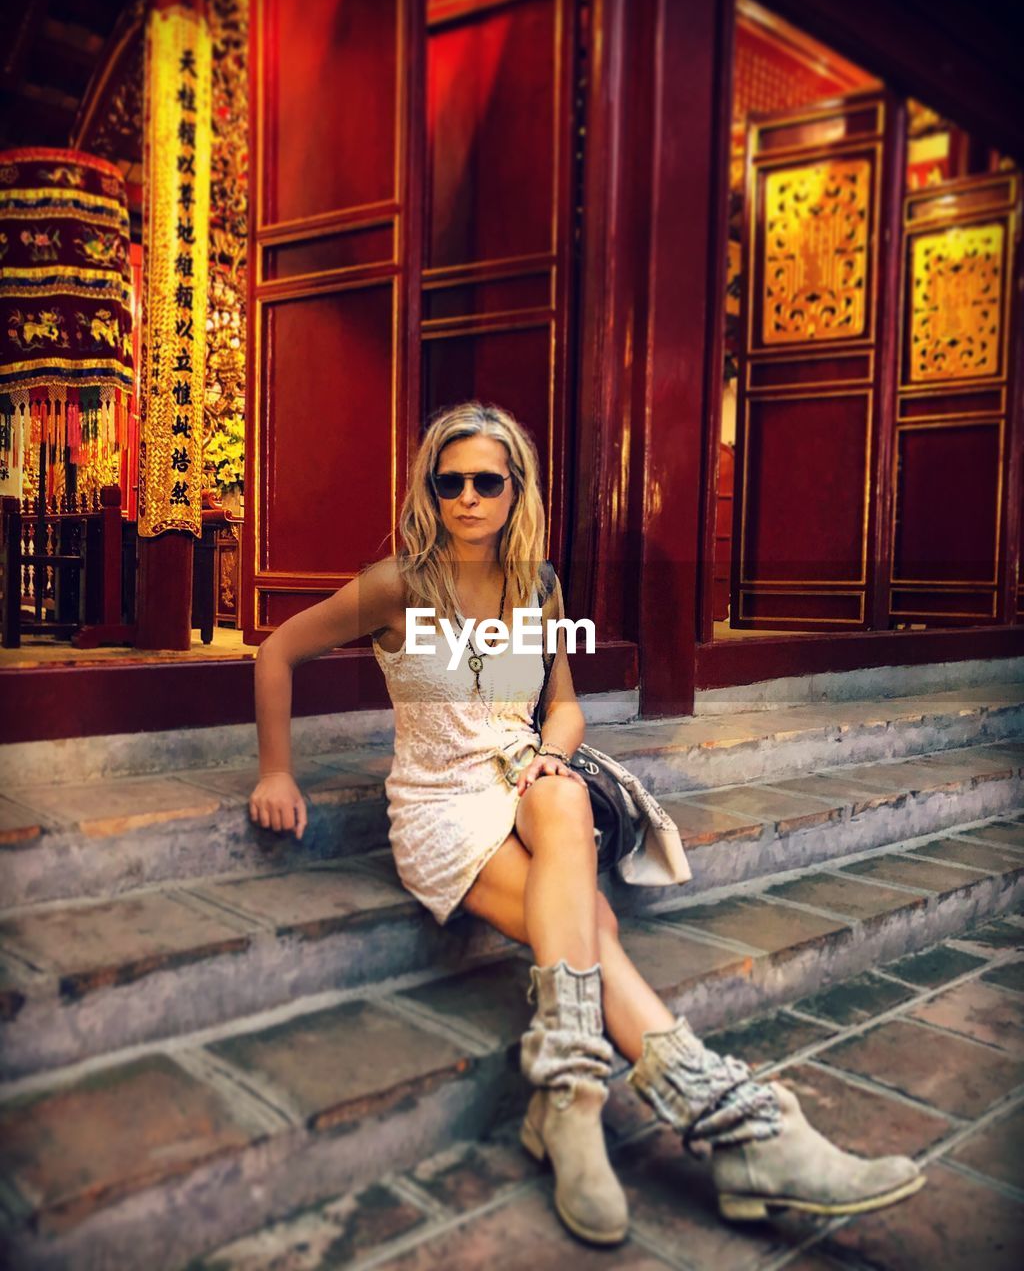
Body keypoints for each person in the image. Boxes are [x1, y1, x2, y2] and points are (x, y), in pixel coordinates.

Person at [249, 401, 925, 1246]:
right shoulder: (399, 582)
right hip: (439, 808)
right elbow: (276, 651)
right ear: (429, 489)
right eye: (447, 481)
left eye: (485, 482)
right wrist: (278, 768)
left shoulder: (539, 584)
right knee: (591, 924)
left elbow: (562, 706)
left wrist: (550, 755)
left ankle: (572, 1097)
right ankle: (731, 1129)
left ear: (514, 490)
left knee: (561, 792)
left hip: (525, 783)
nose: (465, 498)